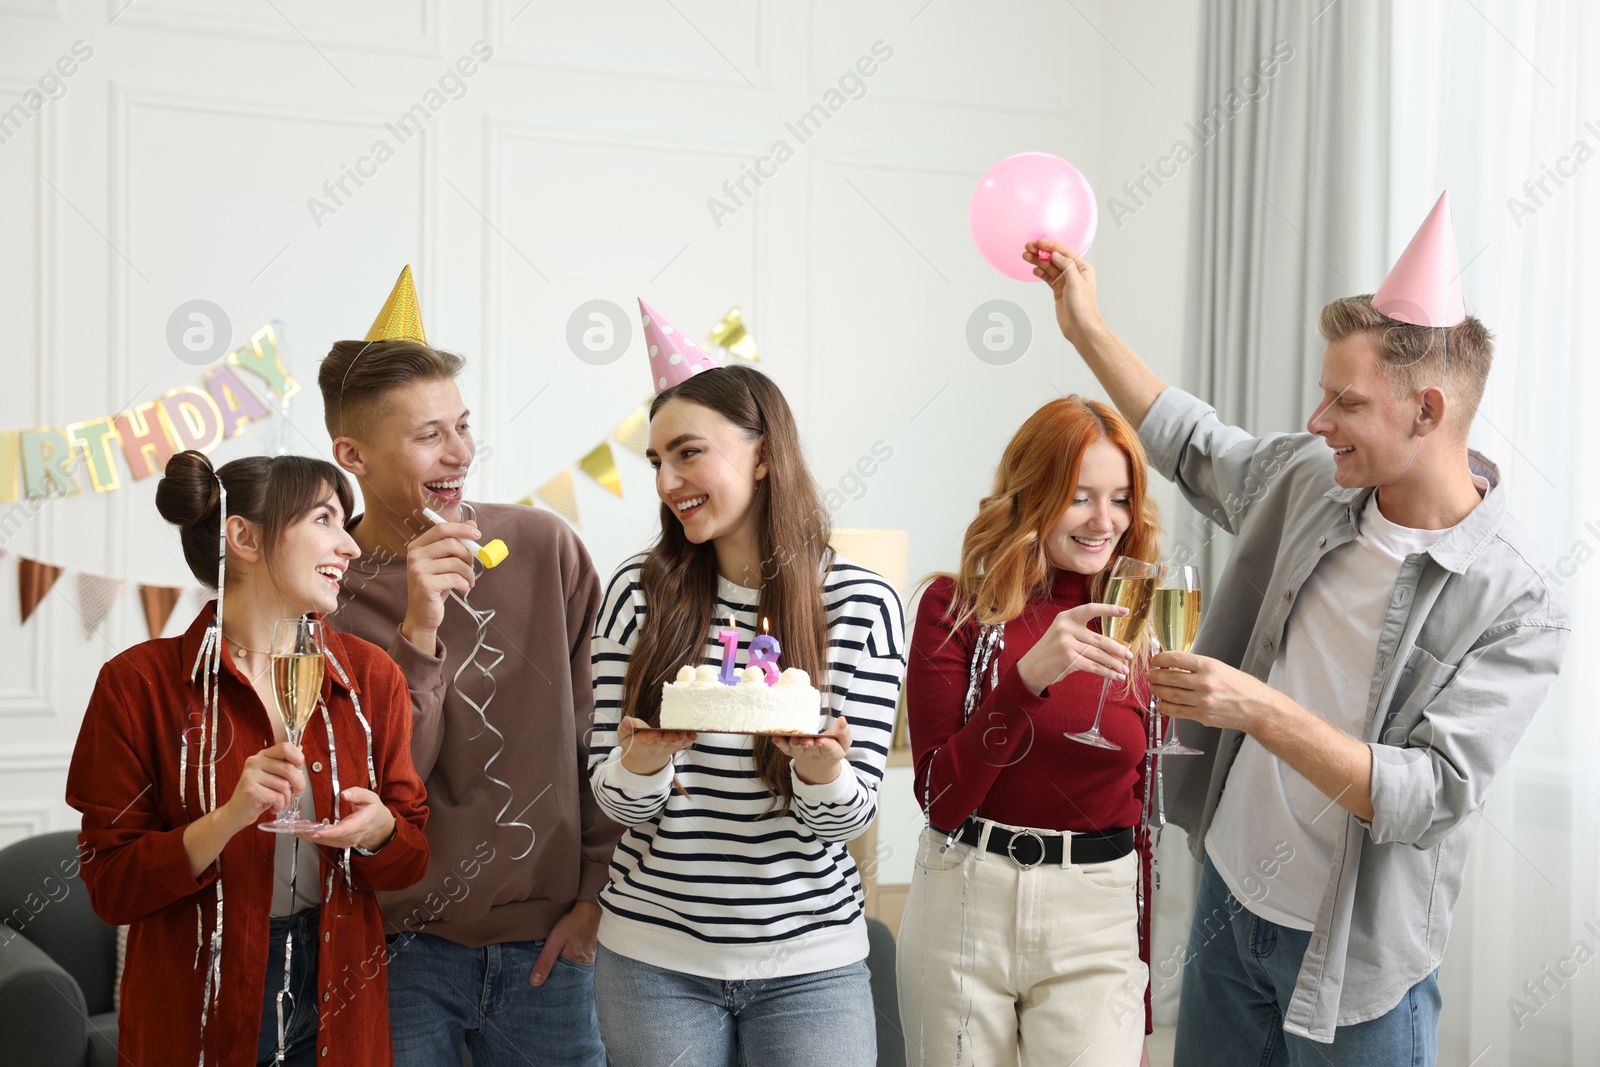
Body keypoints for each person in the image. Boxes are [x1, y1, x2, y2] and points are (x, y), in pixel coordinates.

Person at [1025, 189, 1571, 1064]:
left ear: (1426, 411)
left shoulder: (1517, 599)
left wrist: (1254, 707)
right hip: (1230, 898)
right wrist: (1084, 327)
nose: (1318, 423)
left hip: (1355, 957)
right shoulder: (1318, 482)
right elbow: (1193, 442)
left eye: (1343, 402)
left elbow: (1429, 794)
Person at [586, 303, 905, 1067]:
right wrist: (644, 760)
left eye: (688, 452)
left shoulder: (863, 604)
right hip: (652, 957)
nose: (667, 480)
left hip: (812, 964)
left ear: (764, 454)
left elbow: (848, 818)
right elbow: (611, 798)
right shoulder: (638, 591)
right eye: (657, 460)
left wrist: (824, 770)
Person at [319, 266, 618, 1065]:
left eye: (463, 424)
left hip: (550, 955)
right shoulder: (326, 591)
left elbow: (603, 737)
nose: (460, 453)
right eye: (428, 435)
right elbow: (379, 788)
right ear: (352, 453)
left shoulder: (544, 547)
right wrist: (419, 627)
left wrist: (595, 901)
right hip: (399, 955)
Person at [66, 449, 429, 1065]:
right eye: (324, 519)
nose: (350, 546)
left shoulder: (372, 678)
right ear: (244, 537)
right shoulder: (137, 685)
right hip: (195, 999)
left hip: (339, 985)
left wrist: (381, 832)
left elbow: (409, 860)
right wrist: (228, 817)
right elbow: (110, 889)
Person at [898, 395, 1157, 1067]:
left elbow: (1144, 814)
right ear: (1032, 494)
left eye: (1121, 498)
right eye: (1080, 496)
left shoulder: (1141, 626)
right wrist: (1024, 680)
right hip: (964, 898)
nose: (1106, 520)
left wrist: (1143, 991)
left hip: (1095, 913)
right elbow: (940, 796)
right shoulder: (955, 608)